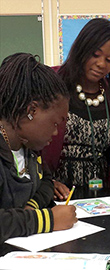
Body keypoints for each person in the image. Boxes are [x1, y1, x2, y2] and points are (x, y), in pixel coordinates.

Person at [42, 18, 110, 199]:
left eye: (109, 60)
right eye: (95, 55)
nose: (101, 64)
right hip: (55, 195)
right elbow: (26, 143)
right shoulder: (50, 82)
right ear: (81, 49)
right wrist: (43, 182)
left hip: (102, 198)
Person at [0, 53, 77, 244]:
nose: (56, 132)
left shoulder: (28, 149)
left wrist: (32, 207)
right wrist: (46, 220)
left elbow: (46, 181)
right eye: (55, 123)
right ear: (32, 111)